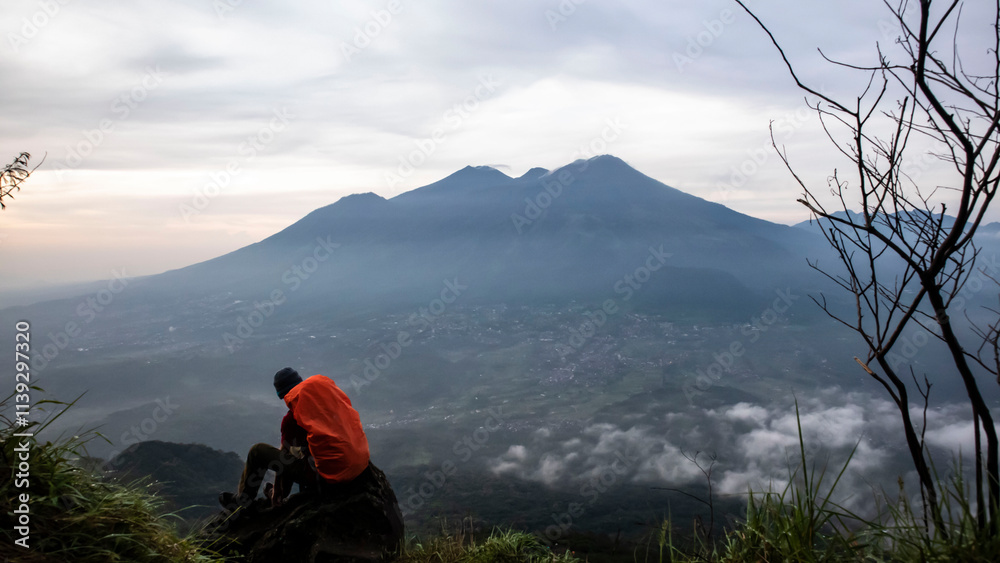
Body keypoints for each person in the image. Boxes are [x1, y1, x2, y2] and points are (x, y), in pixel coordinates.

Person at [220, 367, 371, 510]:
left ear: (283, 395)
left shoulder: (292, 419)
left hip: (328, 479)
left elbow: (284, 454)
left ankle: (243, 501)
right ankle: (276, 494)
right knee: (298, 452)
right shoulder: (328, 403)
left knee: (257, 451)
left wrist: (278, 487)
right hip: (358, 466)